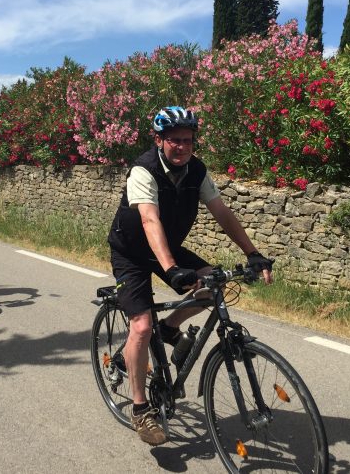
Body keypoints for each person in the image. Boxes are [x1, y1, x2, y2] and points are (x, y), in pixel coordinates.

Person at [108, 106, 273, 446]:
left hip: (168, 246)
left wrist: (252, 253)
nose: (182, 147)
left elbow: (222, 212)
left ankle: (169, 328)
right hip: (133, 252)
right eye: (174, 141)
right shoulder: (144, 170)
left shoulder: (196, 171)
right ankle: (141, 410)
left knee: (214, 284)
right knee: (140, 326)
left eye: (188, 140)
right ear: (159, 140)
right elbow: (150, 220)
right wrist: (170, 269)